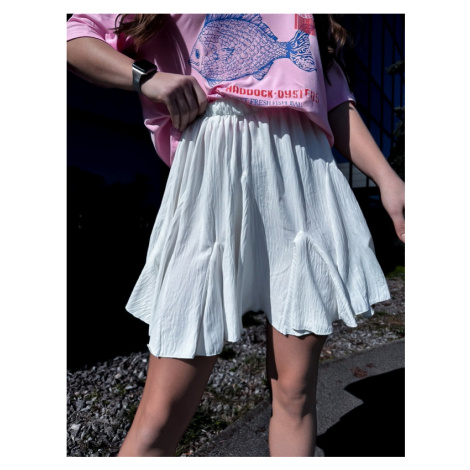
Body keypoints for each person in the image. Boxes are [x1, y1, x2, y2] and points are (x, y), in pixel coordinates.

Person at [67, 14, 405, 457]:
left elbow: (335, 99)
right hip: (212, 174)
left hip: (304, 175)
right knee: (159, 416)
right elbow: (74, 37)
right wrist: (144, 77)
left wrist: (387, 178)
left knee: (295, 395)